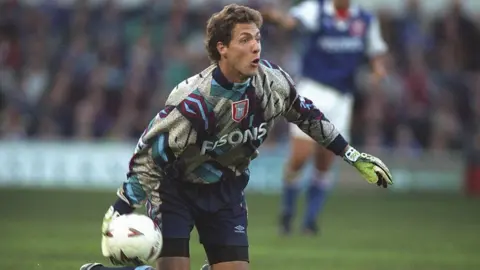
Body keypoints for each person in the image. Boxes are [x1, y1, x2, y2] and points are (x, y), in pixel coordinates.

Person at [80, 4, 392, 270]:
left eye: (257, 38)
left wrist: (353, 155)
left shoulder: (273, 83)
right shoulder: (195, 102)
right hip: (175, 190)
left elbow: (308, 116)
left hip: (226, 189)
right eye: (245, 39)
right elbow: (152, 155)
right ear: (222, 48)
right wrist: (120, 209)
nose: (256, 46)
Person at [261, 0, 388, 235]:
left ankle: (309, 221)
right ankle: (287, 214)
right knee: (300, 156)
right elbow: (291, 22)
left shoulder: (365, 20)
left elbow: (376, 52)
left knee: (324, 161)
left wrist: (378, 70)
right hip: (313, 90)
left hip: (343, 98)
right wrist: (277, 18)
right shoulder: (315, 9)